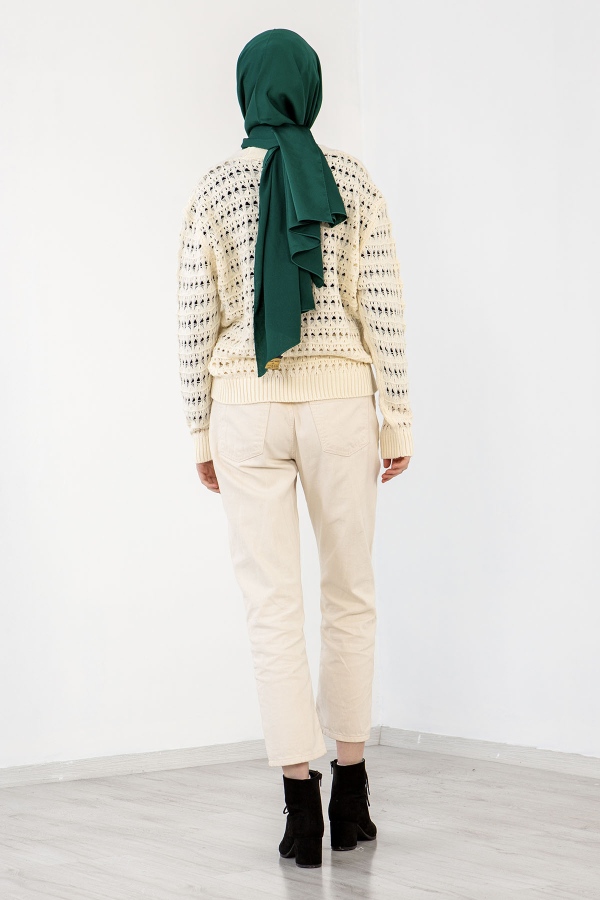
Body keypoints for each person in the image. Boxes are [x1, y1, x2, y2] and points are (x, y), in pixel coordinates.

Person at [176, 28, 413, 869]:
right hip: (343, 404)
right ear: (309, 88)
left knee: (271, 607)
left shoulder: (215, 186)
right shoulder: (352, 178)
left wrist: (199, 427)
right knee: (351, 592)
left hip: (245, 409)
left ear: (247, 90)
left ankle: (299, 809)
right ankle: (352, 792)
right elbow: (380, 304)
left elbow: (194, 318)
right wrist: (397, 418)